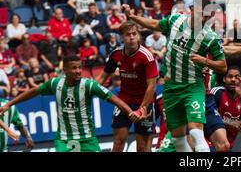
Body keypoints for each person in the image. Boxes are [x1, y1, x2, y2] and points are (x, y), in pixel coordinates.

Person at [122, 0, 227, 152]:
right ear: (192, 9)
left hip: (193, 87)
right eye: (201, 14)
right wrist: (132, 17)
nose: (203, 19)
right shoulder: (176, 20)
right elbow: (155, 24)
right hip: (171, 89)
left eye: (207, 16)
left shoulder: (210, 37)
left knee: (196, 132)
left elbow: (223, 66)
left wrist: (204, 60)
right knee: (178, 140)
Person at [0, 55, 138, 152]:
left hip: (87, 139)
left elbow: (114, 99)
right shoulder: (55, 83)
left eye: (79, 67)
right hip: (64, 141)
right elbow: (33, 91)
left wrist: (131, 112)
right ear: (65, 70)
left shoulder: (89, 85)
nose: (78, 71)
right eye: (74, 68)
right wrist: (9, 104)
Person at [96, 22, 159, 152]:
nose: (131, 37)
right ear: (122, 38)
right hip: (123, 102)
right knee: (118, 141)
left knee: (142, 147)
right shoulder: (116, 54)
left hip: (144, 104)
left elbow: (152, 86)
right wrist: (88, 90)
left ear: (139, 36)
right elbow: (103, 77)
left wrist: (141, 109)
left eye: (134, 34)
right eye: (128, 35)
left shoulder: (147, 56)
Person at [211, 54, 241, 149]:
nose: (233, 80)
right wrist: (232, 122)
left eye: (237, 77)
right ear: (224, 79)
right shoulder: (217, 93)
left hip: (228, 146)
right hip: (210, 142)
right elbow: (207, 116)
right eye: (230, 76)